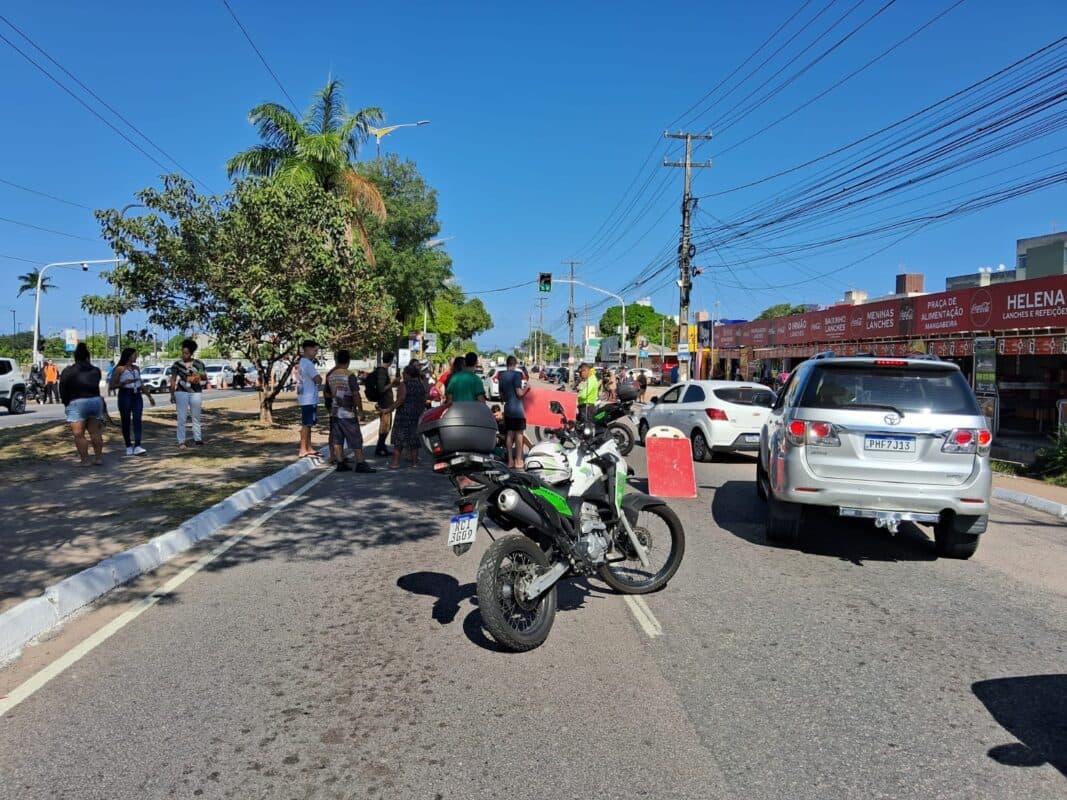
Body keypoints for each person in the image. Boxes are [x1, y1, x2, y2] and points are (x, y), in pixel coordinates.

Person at [323, 349, 375, 473]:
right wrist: (360, 411)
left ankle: (340, 462)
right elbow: (356, 394)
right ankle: (360, 462)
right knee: (355, 437)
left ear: (336, 360)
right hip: (347, 412)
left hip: (335, 412)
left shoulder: (330, 375)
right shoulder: (349, 375)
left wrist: (334, 403)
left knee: (338, 438)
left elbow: (326, 393)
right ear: (348, 360)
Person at [59, 343, 105, 466]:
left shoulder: (68, 371)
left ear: (75, 357)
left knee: (79, 434)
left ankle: (85, 460)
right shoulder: (96, 370)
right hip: (95, 401)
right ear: (87, 357)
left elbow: (62, 389)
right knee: (95, 432)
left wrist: (66, 402)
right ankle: (98, 458)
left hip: (76, 402)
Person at [110, 347, 154, 456]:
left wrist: (149, 396)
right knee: (125, 421)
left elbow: (141, 384)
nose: (136, 357)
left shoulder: (137, 369)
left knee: (137, 420)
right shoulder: (120, 369)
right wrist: (123, 383)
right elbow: (112, 386)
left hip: (137, 395)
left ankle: (138, 445)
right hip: (125, 394)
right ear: (129, 356)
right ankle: (128, 446)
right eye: (134, 355)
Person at [388, 362, 428, 469]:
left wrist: (389, 409)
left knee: (399, 439)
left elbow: (400, 399)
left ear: (408, 374)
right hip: (416, 414)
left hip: (404, 415)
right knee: (414, 438)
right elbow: (424, 399)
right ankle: (414, 462)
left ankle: (395, 462)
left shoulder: (404, 384)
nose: (403, 375)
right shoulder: (421, 385)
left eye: (404, 373)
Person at [169, 339, 207, 450]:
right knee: (181, 418)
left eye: (186, 353)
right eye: (183, 352)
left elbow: (204, 377)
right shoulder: (177, 365)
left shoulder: (198, 364)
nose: (184, 355)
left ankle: (198, 439)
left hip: (195, 392)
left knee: (196, 416)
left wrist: (197, 376)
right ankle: (181, 441)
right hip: (181, 392)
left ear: (191, 353)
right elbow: (173, 379)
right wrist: (172, 394)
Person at [497, 356, 530, 469]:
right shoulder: (517, 375)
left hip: (508, 409)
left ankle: (510, 460)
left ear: (507, 364)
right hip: (517, 410)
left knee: (510, 434)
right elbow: (519, 393)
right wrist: (527, 388)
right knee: (519, 435)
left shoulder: (501, 376)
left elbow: (501, 396)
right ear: (515, 364)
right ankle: (518, 460)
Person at [296, 340, 323, 458]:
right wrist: (319, 378)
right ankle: (303, 449)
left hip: (305, 397)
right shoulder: (308, 363)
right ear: (307, 349)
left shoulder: (302, 362)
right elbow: (318, 379)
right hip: (308, 398)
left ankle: (308, 447)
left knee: (309, 423)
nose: (316, 353)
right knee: (307, 424)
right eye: (315, 350)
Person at [368, 353, 396, 457]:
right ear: (391, 361)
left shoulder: (381, 371)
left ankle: (382, 447)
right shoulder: (382, 372)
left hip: (385, 403)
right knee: (385, 427)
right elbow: (381, 389)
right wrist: (392, 383)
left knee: (386, 426)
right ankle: (379, 449)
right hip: (385, 404)